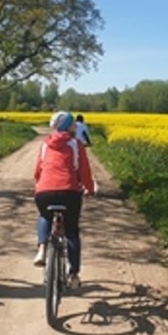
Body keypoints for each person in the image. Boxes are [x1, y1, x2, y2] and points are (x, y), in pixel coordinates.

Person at [32, 110, 96, 289]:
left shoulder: (45, 145)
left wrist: (40, 186)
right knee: (72, 232)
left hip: (44, 191)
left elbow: (38, 171)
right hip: (69, 192)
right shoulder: (76, 144)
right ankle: (74, 275)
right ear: (67, 126)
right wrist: (90, 189)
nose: (76, 125)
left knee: (45, 216)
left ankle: (42, 249)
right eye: (73, 123)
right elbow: (84, 171)